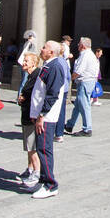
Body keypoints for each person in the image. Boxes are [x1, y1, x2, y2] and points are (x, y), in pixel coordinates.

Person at [28, 40, 68, 198]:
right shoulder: (49, 65)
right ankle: (43, 181)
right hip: (42, 115)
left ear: (51, 52)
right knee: (41, 148)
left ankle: (51, 184)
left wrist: (42, 115)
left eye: (44, 47)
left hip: (47, 117)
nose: (41, 49)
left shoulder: (55, 66)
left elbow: (52, 94)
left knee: (44, 150)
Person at [16, 51, 42, 188]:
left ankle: (36, 172)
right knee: (28, 146)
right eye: (24, 60)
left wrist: (23, 97)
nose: (24, 63)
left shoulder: (36, 75)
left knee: (32, 147)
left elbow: (35, 94)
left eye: (26, 61)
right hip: (27, 115)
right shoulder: (31, 75)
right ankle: (30, 169)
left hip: (31, 116)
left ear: (34, 63)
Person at [66, 37, 98, 136]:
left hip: (85, 81)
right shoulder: (89, 54)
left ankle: (87, 129)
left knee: (84, 105)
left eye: (79, 44)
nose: (78, 46)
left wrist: (69, 79)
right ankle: (70, 124)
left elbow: (79, 70)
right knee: (79, 105)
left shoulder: (85, 55)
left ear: (83, 46)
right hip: (88, 81)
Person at [15, 30, 39, 100]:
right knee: (24, 81)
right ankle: (20, 97)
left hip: (27, 65)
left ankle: (20, 96)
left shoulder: (30, 45)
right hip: (25, 65)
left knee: (24, 81)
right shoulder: (27, 44)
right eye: (30, 37)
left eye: (31, 37)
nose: (31, 39)